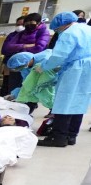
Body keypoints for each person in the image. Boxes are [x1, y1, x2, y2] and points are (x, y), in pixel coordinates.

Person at [37, 12, 91, 147]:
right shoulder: (87, 29)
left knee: (64, 101)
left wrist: (44, 66)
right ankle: (71, 136)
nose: (57, 32)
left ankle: (58, 137)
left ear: (61, 25)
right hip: (88, 69)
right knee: (79, 101)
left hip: (75, 69)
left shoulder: (69, 33)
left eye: (56, 30)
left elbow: (59, 55)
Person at [1, 13, 51, 95]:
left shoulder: (43, 32)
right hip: (18, 62)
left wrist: (18, 48)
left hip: (34, 64)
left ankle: (28, 105)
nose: (28, 25)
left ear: (38, 22)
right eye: (26, 23)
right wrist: (25, 45)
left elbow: (38, 48)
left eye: (32, 23)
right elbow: (7, 48)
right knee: (13, 86)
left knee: (30, 86)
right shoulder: (21, 33)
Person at [0, 16, 27, 94]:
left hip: (23, 64)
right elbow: (4, 49)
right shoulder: (11, 36)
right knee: (7, 83)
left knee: (20, 84)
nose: (19, 26)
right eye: (17, 24)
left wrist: (14, 48)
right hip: (9, 62)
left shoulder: (28, 36)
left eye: (22, 24)